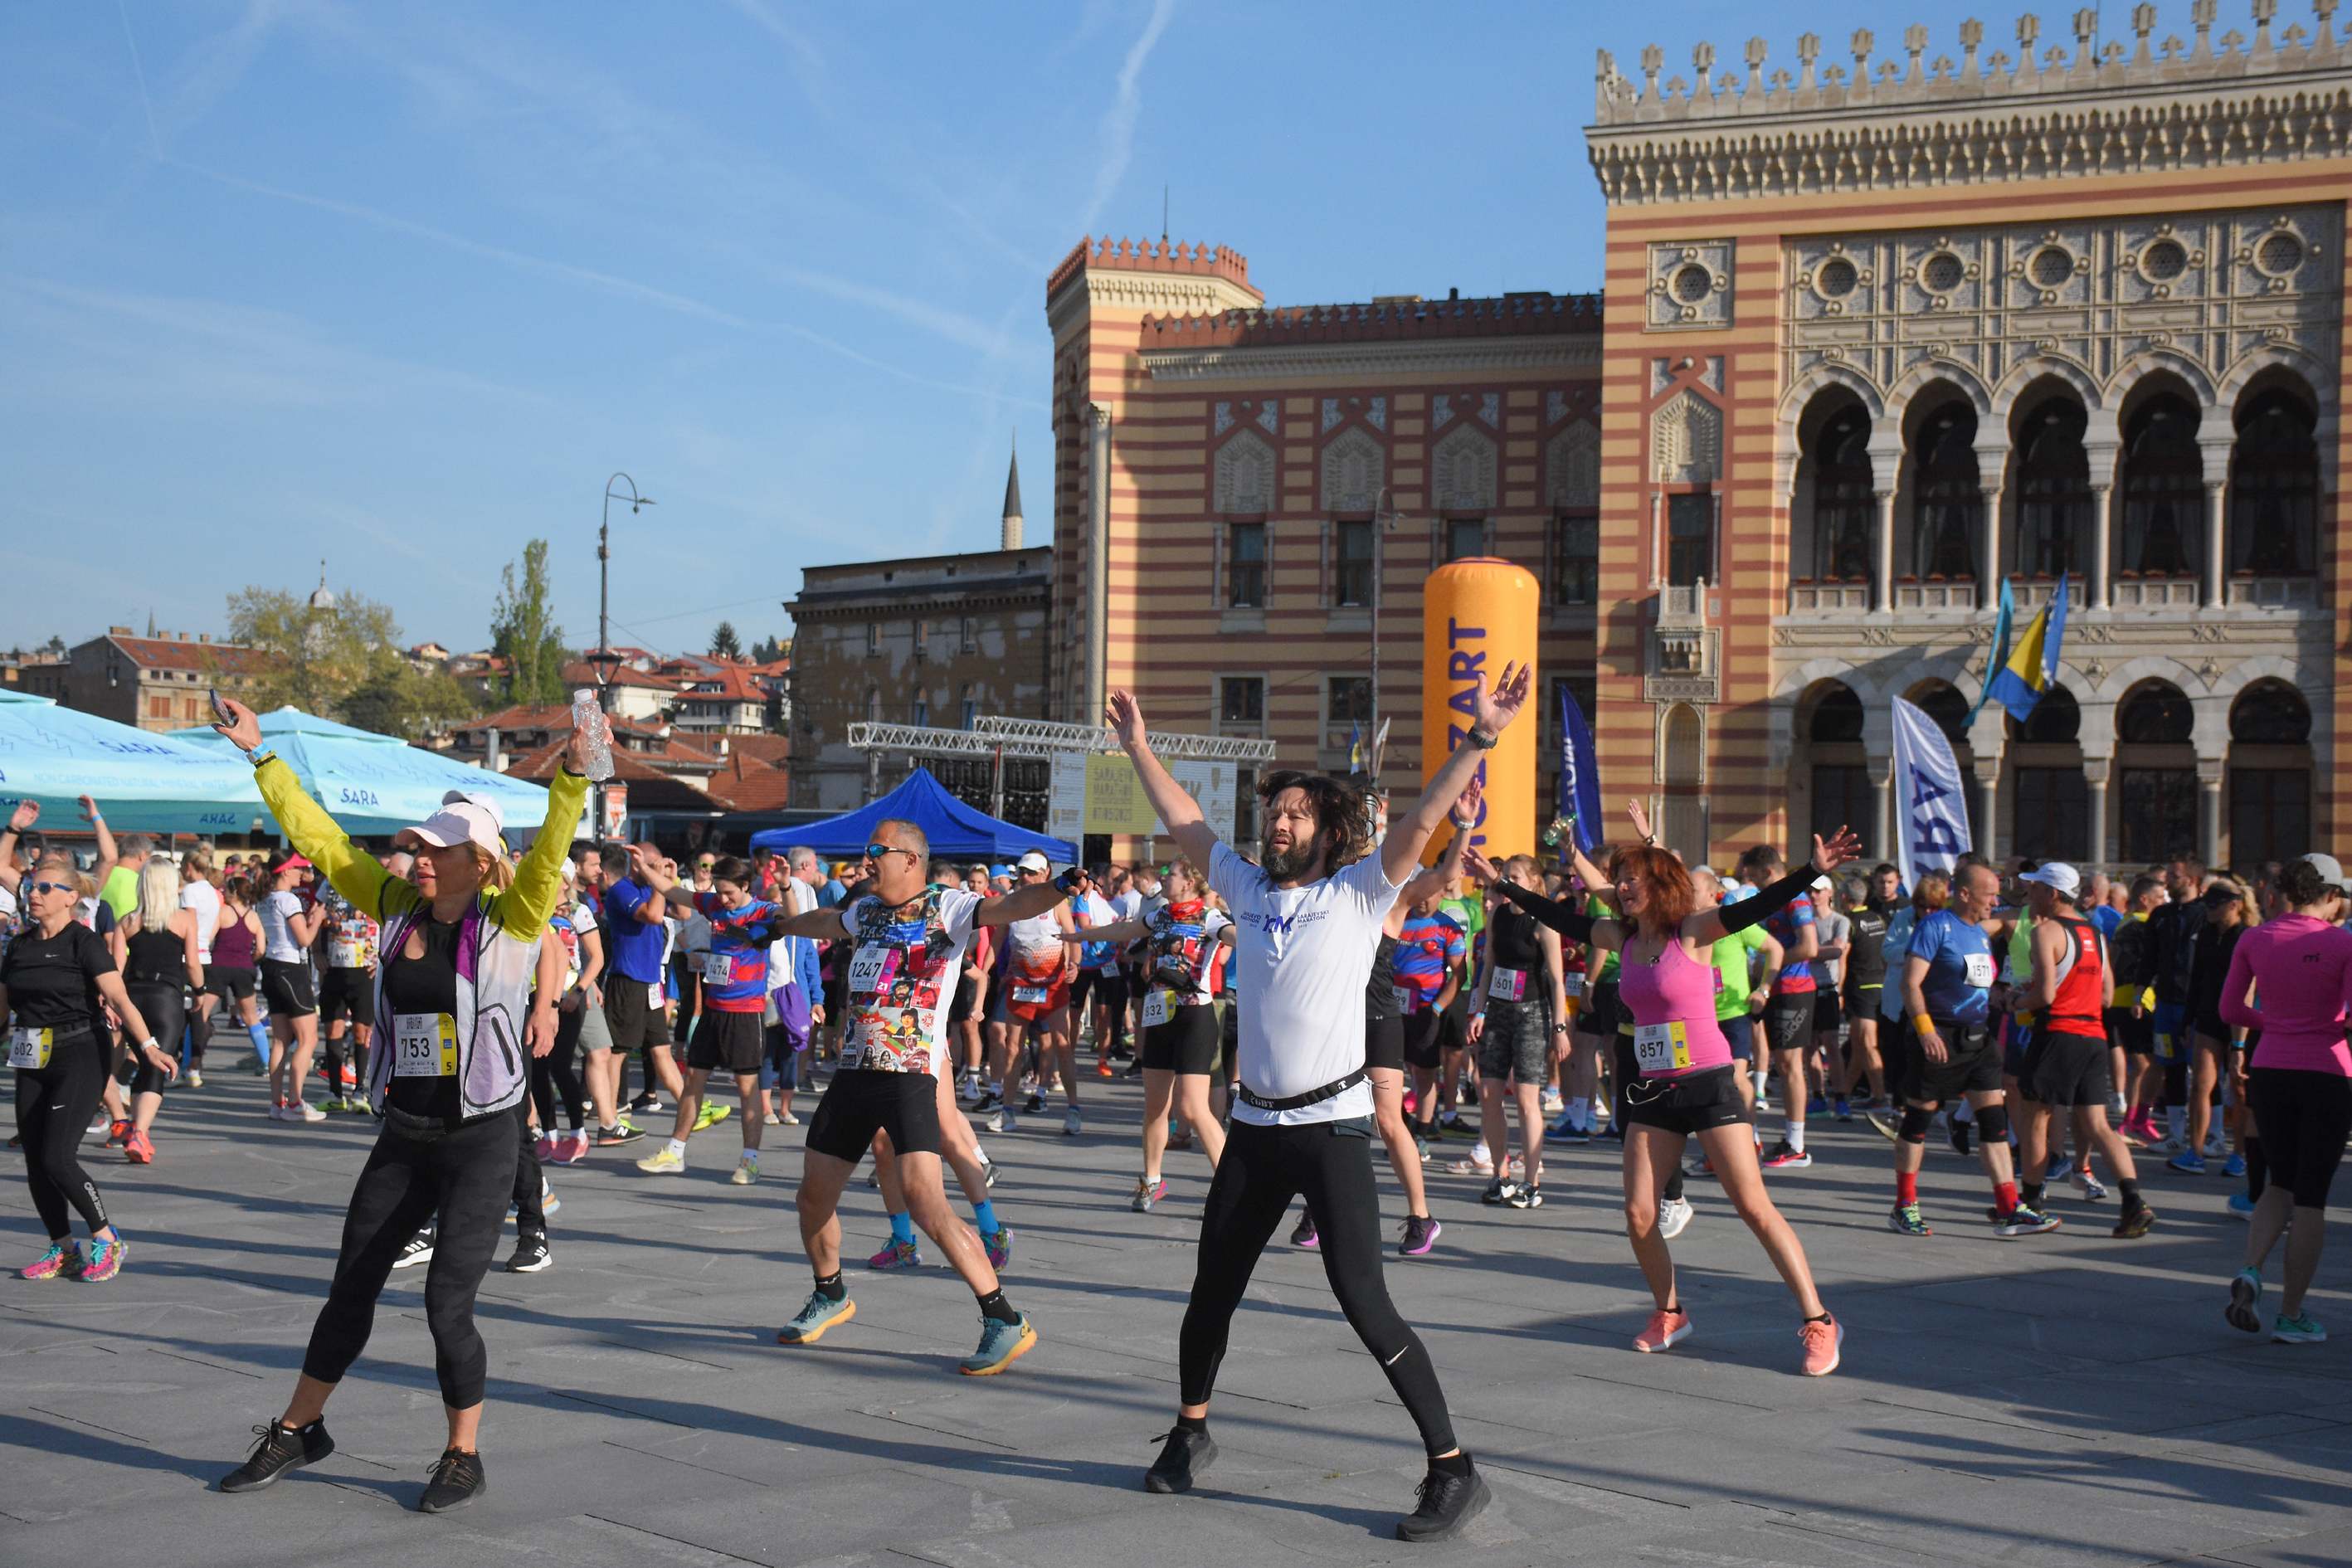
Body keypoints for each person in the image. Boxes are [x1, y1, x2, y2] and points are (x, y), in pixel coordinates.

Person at [1110, 662, 1528, 1544]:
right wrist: (1139, 747)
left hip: (1331, 1128)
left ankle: (1454, 1469)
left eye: (1295, 814)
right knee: (1208, 1295)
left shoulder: (1360, 891)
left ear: (1327, 830)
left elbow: (1418, 822)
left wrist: (1481, 738)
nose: (1279, 823)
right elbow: (1184, 820)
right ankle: (1192, 1434)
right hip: (1255, 1127)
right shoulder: (1248, 890)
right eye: (1273, 814)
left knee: (1365, 1304)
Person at [211, 694, 588, 1512]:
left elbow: (553, 850)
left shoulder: (514, 919)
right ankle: (297, 1430)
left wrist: (575, 776)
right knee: (350, 1285)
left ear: (480, 860)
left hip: (483, 1137)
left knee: (445, 1303)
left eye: (440, 848)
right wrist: (259, 756)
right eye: (419, 843)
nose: (420, 855)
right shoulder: (390, 912)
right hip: (407, 1131)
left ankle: (462, 1453)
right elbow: (322, 840)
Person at [1471, 804, 1851, 1377]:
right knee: (1638, 1212)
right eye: (1619, 878)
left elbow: (1758, 906)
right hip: (1651, 1089)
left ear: (1658, 886)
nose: (1622, 887)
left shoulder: (1694, 931)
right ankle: (1669, 1311)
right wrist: (1501, 886)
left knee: (1752, 1205)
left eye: (1632, 879)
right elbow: (1556, 914)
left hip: (1707, 1083)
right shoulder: (1618, 937)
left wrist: (1808, 871)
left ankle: (1820, 1320)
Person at [762, 819, 1072, 1374]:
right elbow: (828, 922)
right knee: (812, 1197)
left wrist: (1059, 889)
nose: (866, 860)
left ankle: (1003, 1318)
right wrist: (781, 925)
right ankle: (830, 1294)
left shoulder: (947, 906)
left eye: (876, 851)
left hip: (910, 1074)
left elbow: (1010, 906)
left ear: (910, 859)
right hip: (855, 1070)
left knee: (925, 1201)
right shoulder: (867, 911)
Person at [7, 844, 171, 1280]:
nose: (34, 893)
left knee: (58, 1157)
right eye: (30, 885)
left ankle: (106, 1239)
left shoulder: (83, 941)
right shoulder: (19, 947)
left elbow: (119, 997)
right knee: (35, 1161)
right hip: (29, 1056)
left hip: (80, 1053)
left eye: (45, 887)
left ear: (70, 896)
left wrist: (148, 1046)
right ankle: (63, 1249)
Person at [2219, 853, 2352, 1346]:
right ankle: (2291, 1314)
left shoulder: (2255, 937)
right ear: (2332, 896)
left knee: (2279, 1183)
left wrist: (2275, 1023)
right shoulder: (2340, 943)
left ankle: (2252, 1270)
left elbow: (2231, 1008)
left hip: (2270, 1068)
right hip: (2325, 1071)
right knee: (2312, 1198)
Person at [1888, 855, 2054, 1239]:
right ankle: (1904, 1205)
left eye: (1998, 895)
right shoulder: (1935, 927)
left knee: (1994, 1124)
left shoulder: (1981, 929)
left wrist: (1998, 991)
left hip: (1977, 1041)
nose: (1995, 901)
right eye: (1989, 895)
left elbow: (2009, 922)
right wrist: (1926, 1031)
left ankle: (2009, 1206)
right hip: (1937, 1039)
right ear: (1964, 894)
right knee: (1918, 1121)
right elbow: (1910, 984)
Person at [1063, 858, 1234, 1211]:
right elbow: (1124, 930)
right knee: (1156, 1107)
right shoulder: (1160, 915)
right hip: (1160, 1013)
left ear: (1189, 882)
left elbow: (1239, 937)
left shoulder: (1210, 917)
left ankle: (1229, 1188)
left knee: (1192, 1106)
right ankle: (1152, 1181)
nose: (1163, 878)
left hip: (1194, 1015)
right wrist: (1080, 935)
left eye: (1170, 874)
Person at [2004, 862, 2154, 1238]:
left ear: (2052, 894)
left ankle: (2032, 1204)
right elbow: (2105, 995)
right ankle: (2134, 1201)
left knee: (2036, 1117)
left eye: (2035, 888)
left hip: (2058, 1032)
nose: (2029, 894)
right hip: (2094, 1037)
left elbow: (2046, 995)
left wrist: (2014, 1001)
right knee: (2098, 1124)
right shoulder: (2097, 935)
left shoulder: (2046, 933)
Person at [637, 855, 786, 1183]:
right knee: (692, 1080)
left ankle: (750, 1161)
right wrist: (646, 870)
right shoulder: (715, 906)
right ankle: (674, 1152)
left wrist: (784, 887)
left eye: (729, 892)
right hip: (714, 1008)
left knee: (748, 1089)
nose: (722, 898)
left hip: (746, 1012)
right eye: (718, 891)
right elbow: (675, 893)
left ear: (746, 886)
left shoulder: (760, 909)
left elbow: (787, 916)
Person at [1463, 852, 1567, 1209]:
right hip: (1498, 1013)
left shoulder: (1543, 922)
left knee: (1526, 1100)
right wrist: (1478, 1011)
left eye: (1516, 878)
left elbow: (1557, 979)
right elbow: (1488, 968)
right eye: (1505, 876)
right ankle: (1500, 1175)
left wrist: (1560, 1027)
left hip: (1532, 1015)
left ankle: (1531, 1181)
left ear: (1534, 883)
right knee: (1489, 1093)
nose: (1507, 883)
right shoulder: (1496, 915)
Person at [112, 856, 203, 1164]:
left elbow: (116, 969)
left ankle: (136, 1128)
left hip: (132, 998)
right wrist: (200, 991)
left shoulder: (126, 921)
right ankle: (139, 1131)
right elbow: (192, 963)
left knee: (143, 1057)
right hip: (167, 996)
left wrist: (111, 1002)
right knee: (157, 1065)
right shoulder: (184, 919)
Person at [593, 839, 679, 1136]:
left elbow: (684, 913)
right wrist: (658, 883)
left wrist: (671, 878)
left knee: (662, 1048)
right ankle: (611, 1114)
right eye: (652, 865)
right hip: (627, 979)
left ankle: (690, 1108)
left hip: (651, 982)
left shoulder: (652, 887)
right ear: (638, 864)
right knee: (617, 1051)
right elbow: (654, 916)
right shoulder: (622, 890)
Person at [991, 851, 1079, 1134]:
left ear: (1045, 875)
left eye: (1031, 872)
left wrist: (1074, 962)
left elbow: (1071, 935)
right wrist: (990, 971)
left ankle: (1073, 1109)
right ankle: (1006, 1112)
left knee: (1062, 1045)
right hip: (1021, 985)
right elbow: (998, 937)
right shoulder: (1010, 903)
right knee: (1013, 1047)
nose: (1025, 877)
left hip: (1053, 986)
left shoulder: (1057, 901)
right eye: (1021, 872)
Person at [256, 851, 326, 1122]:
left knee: (281, 1040)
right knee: (308, 1039)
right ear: (286, 871)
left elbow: (285, 933)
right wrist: (318, 917)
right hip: (291, 969)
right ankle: (295, 1103)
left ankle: (277, 1103)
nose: (301, 874)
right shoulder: (288, 898)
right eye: (298, 869)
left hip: (272, 967)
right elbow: (306, 939)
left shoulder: (265, 899)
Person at [314, 864, 383, 1113]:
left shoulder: (373, 886)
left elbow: (390, 923)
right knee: (332, 1031)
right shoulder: (329, 885)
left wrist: (382, 959)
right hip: (334, 969)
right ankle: (334, 1093)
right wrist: (317, 952)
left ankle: (359, 1093)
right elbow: (318, 917)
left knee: (361, 1034)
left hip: (364, 970)